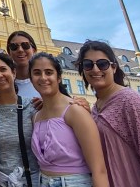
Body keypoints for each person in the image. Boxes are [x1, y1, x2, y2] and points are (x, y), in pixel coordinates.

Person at [76, 40, 140, 187]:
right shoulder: (97, 107)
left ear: (114, 67)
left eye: (102, 64)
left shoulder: (131, 102)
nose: (95, 69)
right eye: (88, 65)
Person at [29, 52, 109, 187]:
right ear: (31, 79)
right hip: (43, 181)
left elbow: (99, 169)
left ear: (59, 77)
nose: (43, 78)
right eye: (37, 73)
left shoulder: (75, 111)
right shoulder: (36, 117)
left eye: (49, 72)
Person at [0, 50, 40, 187]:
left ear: (13, 72)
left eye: (3, 69)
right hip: (3, 183)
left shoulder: (32, 105)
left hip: (33, 181)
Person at [7, 31, 41, 100]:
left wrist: (49, 102)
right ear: (9, 52)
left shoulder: (45, 79)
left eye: (25, 45)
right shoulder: (2, 83)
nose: (20, 50)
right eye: (14, 46)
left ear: (34, 50)